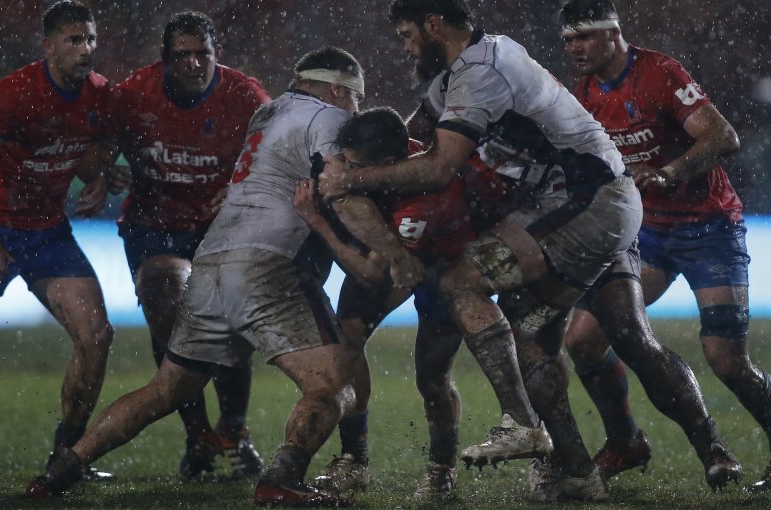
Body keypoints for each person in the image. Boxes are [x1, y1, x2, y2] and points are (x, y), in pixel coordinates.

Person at [26, 46, 413, 507]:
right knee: (338, 384)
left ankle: (62, 469)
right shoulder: (327, 119)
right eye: (357, 99)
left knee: (164, 391)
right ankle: (283, 478)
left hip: (210, 261)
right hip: (266, 262)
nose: (356, 113)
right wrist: (393, 250)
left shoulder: (267, 115)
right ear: (336, 89)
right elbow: (341, 189)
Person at [319, 0, 640, 493]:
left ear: (433, 25)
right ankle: (576, 470)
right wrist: (366, 157)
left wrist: (351, 180)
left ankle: (523, 423)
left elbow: (439, 166)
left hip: (587, 200)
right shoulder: (463, 71)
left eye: (407, 34)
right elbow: (407, 137)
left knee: (460, 282)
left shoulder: (479, 74)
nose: (405, 48)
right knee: (532, 337)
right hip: (562, 204)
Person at [557, 0, 771, 492]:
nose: (574, 48)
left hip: (710, 229)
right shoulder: (582, 94)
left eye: (583, 36)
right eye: (567, 40)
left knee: (725, 359)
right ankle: (625, 440)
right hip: (646, 234)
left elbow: (722, 136)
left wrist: (670, 172)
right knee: (583, 340)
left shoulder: (659, 73)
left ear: (613, 32)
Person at [0, 0, 115, 479]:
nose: (85, 49)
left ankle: (67, 454)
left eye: (90, 39)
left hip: (48, 234)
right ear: (48, 45)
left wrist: (98, 178)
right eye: (74, 40)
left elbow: (86, 153)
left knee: (96, 336)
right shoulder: (17, 92)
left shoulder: (100, 95)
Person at [91, 11, 270, 479]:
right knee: (169, 313)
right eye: (182, 56)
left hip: (221, 223)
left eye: (202, 54)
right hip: (155, 223)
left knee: (229, 323)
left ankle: (232, 430)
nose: (193, 64)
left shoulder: (245, 97)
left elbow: (276, 152)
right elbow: (99, 145)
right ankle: (198, 436)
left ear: (217, 56)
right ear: (164, 61)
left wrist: (240, 184)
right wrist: (104, 172)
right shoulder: (133, 96)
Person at [297, 107, 498, 501]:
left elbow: (375, 274)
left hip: (442, 267)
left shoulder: (422, 199)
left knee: (432, 377)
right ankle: (354, 461)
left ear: (387, 165)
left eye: (355, 166)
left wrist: (316, 221)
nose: (346, 171)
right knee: (346, 339)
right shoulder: (382, 152)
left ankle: (442, 469)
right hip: (403, 255)